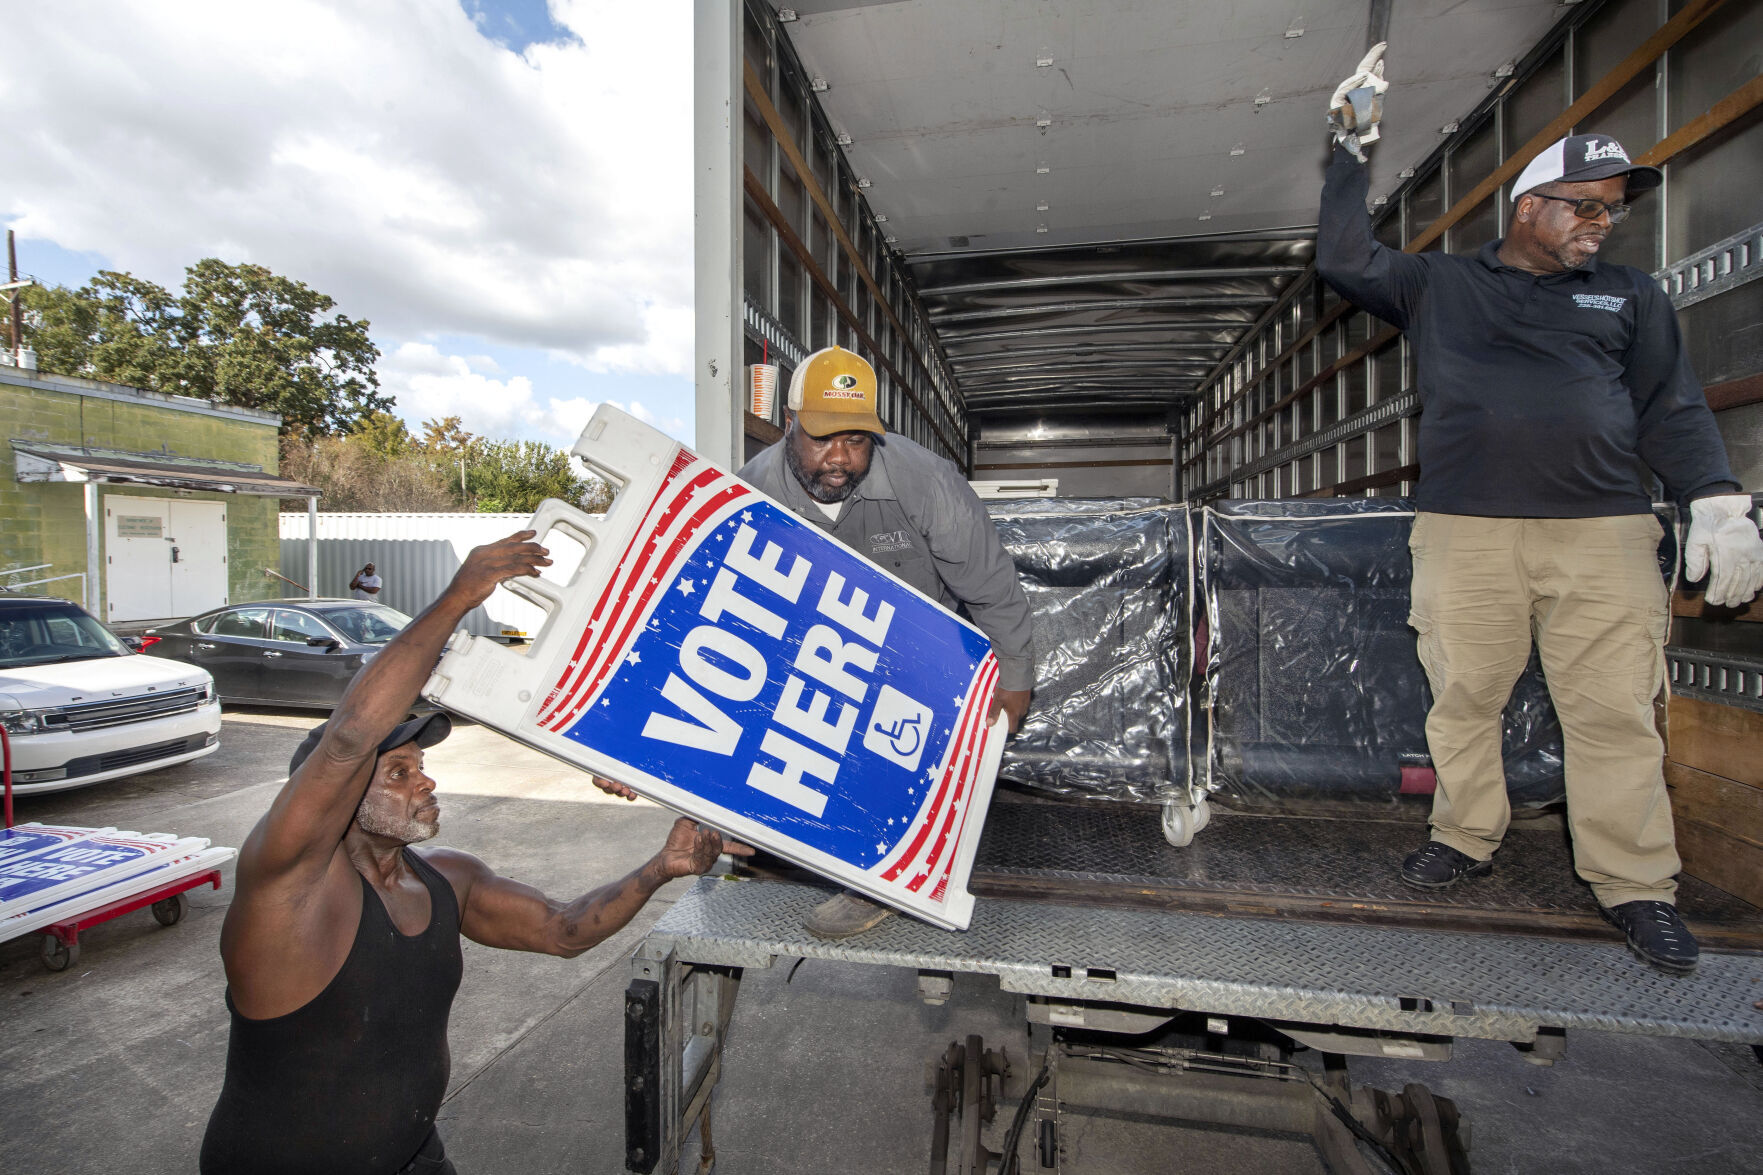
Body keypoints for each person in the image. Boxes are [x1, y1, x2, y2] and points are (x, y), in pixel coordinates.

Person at [1318, 44, 1763, 977]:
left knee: (1609, 711)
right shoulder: (1439, 285)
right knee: (1464, 697)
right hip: (1467, 531)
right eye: (1587, 207)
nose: (1604, 224)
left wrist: (1715, 502)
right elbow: (1343, 257)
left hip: (1601, 532)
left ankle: (1635, 884)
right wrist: (1348, 152)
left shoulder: (1628, 296)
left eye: (1614, 210)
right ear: (1531, 207)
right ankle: (1464, 836)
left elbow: (1669, 406)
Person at [199, 532, 749, 1174]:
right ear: (333, 804)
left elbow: (562, 930)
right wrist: (461, 596)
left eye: (421, 766)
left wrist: (659, 869)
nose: (425, 781)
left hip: (415, 1158)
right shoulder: (285, 891)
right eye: (398, 773)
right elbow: (349, 738)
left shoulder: (444, 880)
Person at [597, 345, 1036, 940]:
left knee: (897, 775)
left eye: (855, 441)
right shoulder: (747, 496)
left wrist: (1015, 680)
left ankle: (882, 879)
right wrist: (626, 746)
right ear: (787, 423)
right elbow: (704, 624)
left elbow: (993, 590)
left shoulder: (925, 482)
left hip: (913, 666)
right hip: (808, 654)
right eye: (823, 438)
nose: (839, 459)